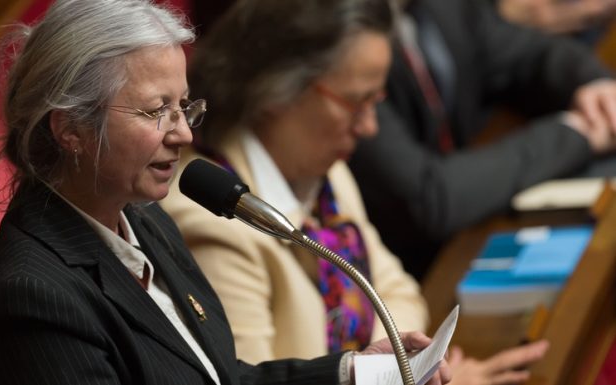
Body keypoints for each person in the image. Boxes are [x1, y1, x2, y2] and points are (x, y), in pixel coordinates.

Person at [0, 1, 450, 384]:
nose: (181, 134)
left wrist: (355, 373)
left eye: (184, 107)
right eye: (156, 111)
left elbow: (221, 377)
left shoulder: (142, 216)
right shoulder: (32, 298)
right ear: (71, 128)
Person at [160, 0, 549, 383]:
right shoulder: (211, 223)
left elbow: (400, 290)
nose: (369, 128)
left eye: (375, 102)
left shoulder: (323, 168)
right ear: (277, 89)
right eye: (357, 102)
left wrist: (392, 372)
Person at [348, 0, 616, 280]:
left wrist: (595, 87)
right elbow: (429, 197)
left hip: (473, 224)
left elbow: (529, 54)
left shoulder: (441, 8)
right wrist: (574, 133)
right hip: (414, 269)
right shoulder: (346, 52)